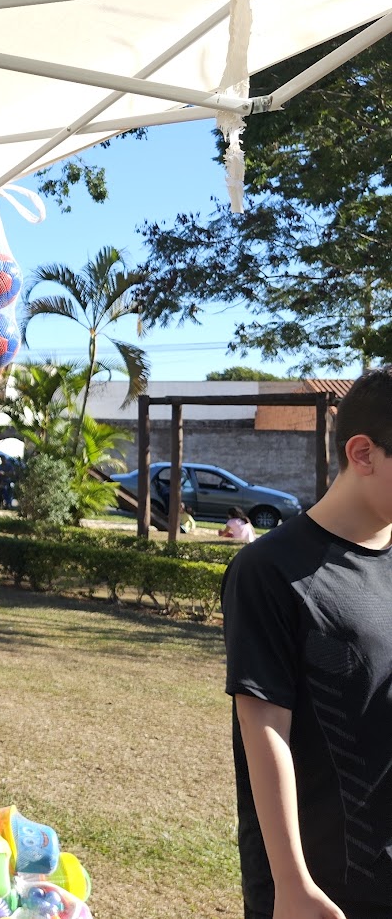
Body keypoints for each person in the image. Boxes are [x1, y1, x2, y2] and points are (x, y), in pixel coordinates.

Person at [224, 366, 392, 919]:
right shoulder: (270, 570)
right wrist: (292, 883)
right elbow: (265, 729)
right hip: (326, 887)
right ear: (363, 453)